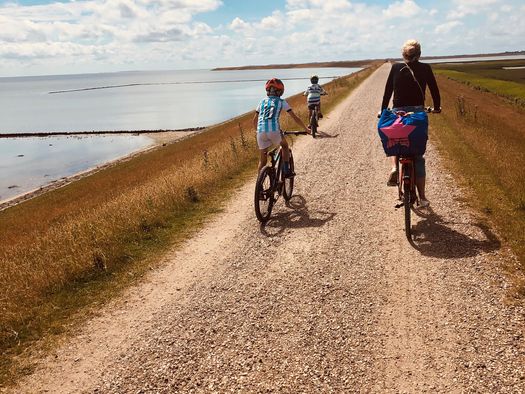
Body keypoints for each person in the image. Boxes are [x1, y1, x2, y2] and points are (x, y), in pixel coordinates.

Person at [380, 39, 441, 207]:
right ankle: (422, 197)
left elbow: (387, 92)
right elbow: (434, 90)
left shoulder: (395, 67)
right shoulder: (425, 68)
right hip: (417, 113)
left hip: (397, 111)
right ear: (419, 55)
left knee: (395, 139)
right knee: (418, 157)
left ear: (403, 55)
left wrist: (383, 110)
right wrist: (436, 108)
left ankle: (394, 168)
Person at [253, 78, 309, 177]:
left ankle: (259, 184)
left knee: (262, 161)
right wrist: (306, 129)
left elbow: (254, 120)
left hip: (260, 132)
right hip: (274, 131)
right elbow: (295, 118)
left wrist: (257, 131)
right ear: (280, 91)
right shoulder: (281, 101)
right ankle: (286, 171)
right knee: (284, 146)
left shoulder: (262, 102)